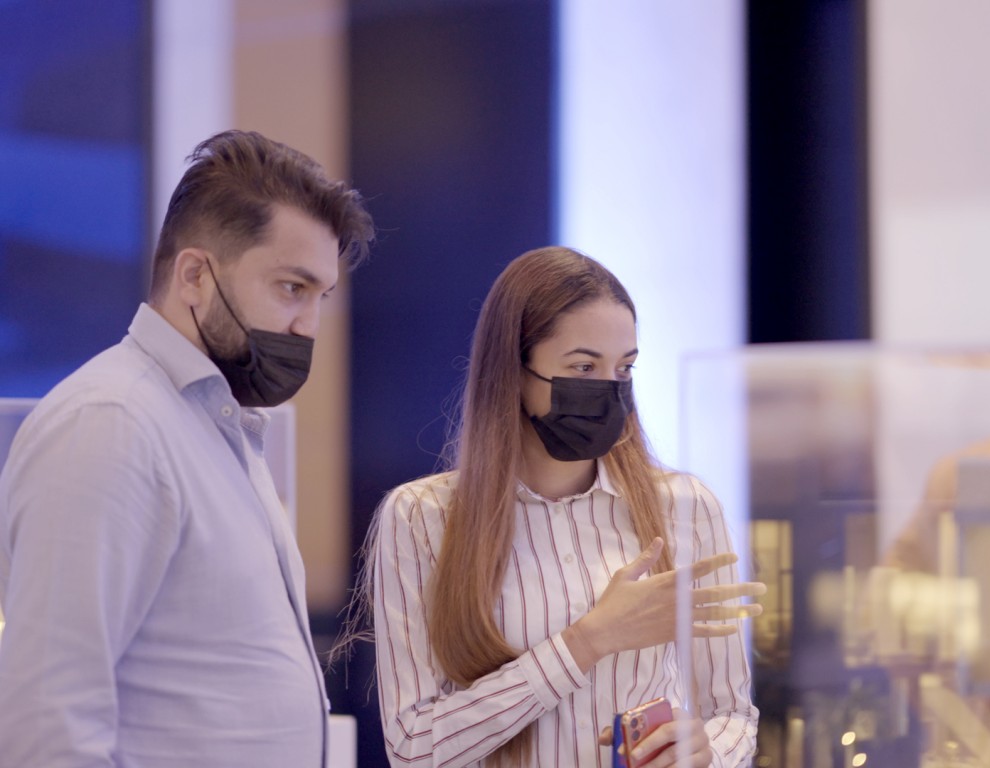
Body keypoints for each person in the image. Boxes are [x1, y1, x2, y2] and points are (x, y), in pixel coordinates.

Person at [0, 130, 373, 766]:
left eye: (321, 298)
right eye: (291, 288)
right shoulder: (112, 424)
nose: (308, 326)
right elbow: (47, 722)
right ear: (195, 275)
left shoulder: (215, 429)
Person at [352, 247, 764, 767]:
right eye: (583, 367)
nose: (609, 390)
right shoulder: (421, 517)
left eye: (624, 368)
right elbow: (414, 747)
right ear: (514, 371)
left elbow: (732, 713)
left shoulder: (685, 506)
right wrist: (588, 640)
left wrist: (706, 752)